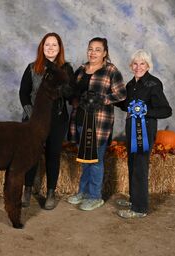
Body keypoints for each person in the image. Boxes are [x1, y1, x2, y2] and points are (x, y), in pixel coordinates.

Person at [67, 37, 126, 211]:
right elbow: (73, 92)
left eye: (97, 49)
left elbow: (121, 94)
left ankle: (95, 196)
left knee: (96, 160)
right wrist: (73, 99)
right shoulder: (81, 69)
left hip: (99, 123)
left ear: (105, 53)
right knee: (85, 160)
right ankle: (83, 192)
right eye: (90, 49)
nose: (93, 52)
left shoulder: (111, 70)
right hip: (80, 120)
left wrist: (102, 99)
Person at [19, 32, 75, 210]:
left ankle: (51, 192)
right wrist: (31, 114)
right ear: (42, 48)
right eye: (47, 45)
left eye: (54, 45)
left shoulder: (66, 69)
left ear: (60, 49)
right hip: (34, 120)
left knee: (53, 155)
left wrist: (62, 84)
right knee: (31, 154)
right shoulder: (32, 68)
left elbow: (71, 94)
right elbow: (23, 93)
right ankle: (27, 189)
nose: (50, 48)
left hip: (57, 119)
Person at [115, 49, 172, 218]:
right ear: (131, 65)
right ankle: (134, 199)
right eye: (135, 63)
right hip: (131, 129)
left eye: (142, 64)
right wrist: (110, 99)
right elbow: (126, 105)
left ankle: (139, 209)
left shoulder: (154, 84)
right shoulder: (131, 84)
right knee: (133, 164)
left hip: (145, 131)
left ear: (148, 65)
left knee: (140, 167)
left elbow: (166, 110)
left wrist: (145, 112)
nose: (138, 67)